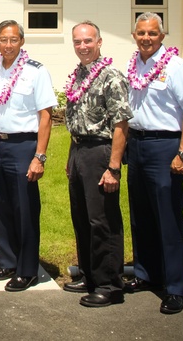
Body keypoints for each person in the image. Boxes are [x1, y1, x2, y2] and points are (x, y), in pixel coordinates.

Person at [124, 13, 183, 315]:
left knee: (168, 218)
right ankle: (145, 274)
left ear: (162, 35)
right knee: (140, 215)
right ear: (134, 34)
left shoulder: (177, 67)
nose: (146, 38)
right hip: (138, 144)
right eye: (141, 33)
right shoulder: (134, 65)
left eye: (152, 33)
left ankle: (174, 287)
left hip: (165, 146)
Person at [0, 20, 56, 293]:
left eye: (14, 39)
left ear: (22, 42)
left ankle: (27, 269)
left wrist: (40, 155)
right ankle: (8, 260)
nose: (8, 44)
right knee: (0, 207)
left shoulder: (36, 72)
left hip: (24, 145)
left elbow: (46, 115)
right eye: (3, 39)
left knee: (25, 208)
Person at [63, 21, 132, 308]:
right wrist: (71, 157)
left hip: (100, 153)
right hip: (79, 151)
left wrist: (113, 166)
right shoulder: (78, 75)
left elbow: (121, 123)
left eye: (88, 41)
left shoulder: (111, 76)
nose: (82, 46)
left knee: (102, 220)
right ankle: (90, 275)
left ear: (100, 42)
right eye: (78, 41)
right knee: (82, 219)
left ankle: (110, 284)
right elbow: (76, 121)